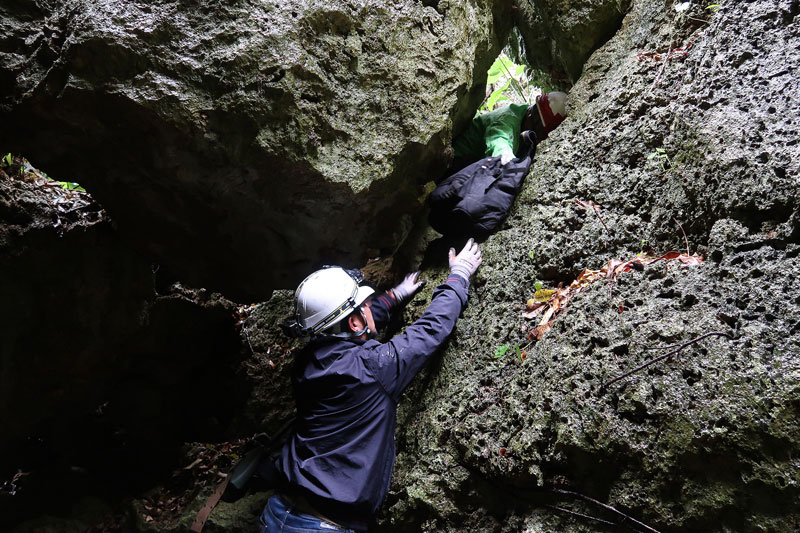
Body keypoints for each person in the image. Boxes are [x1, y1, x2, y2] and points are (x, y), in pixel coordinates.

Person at [260, 239, 483, 532]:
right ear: (354, 322)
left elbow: (344, 327)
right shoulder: (374, 367)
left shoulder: (308, 360)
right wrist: (458, 277)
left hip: (278, 512)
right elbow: (430, 329)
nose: (371, 305)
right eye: (367, 303)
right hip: (323, 525)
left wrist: (394, 297)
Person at [450, 91, 568, 170]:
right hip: (456, 161)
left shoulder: (525, 120)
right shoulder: (506, 120)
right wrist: (507, 159)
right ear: (532, 115)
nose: (540, 139)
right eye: (540, 133)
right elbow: (499, 140)